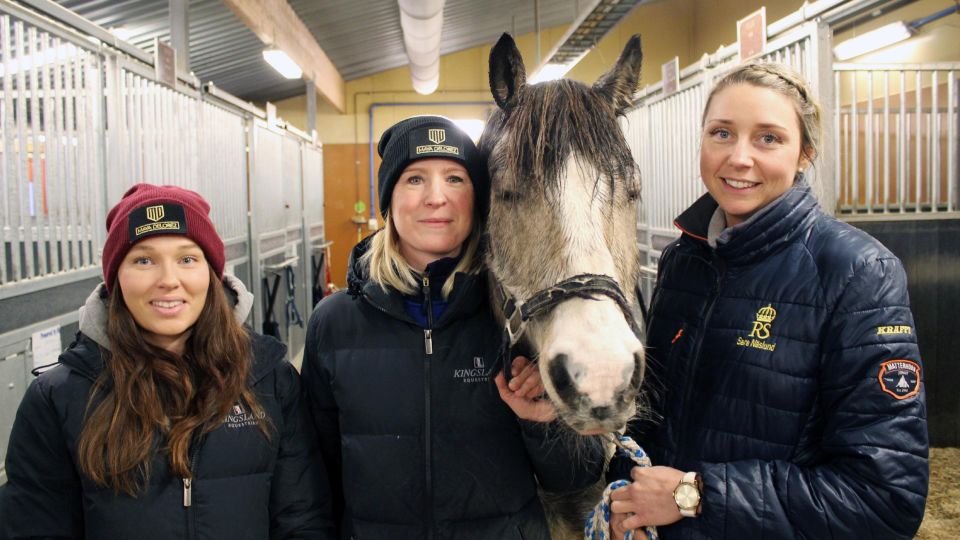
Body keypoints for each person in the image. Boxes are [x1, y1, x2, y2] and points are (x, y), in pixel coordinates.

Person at [607, 63, 928, 539]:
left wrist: (693, 496)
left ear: (805, 154)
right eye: (721, 133)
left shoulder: (857, 273)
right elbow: (647, 426)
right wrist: (625, 499)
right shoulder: (683, 262)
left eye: (768, 138)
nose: (738, 157)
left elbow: (885, 499)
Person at [301, 115, 604, 539]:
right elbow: (314, 475)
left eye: (455, 179)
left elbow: (579, 476)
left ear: (478, 198)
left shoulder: (524, 320)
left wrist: (545, 423)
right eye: (414, 179)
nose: (436, 197)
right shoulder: (333, 324)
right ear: (388, 200)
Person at [1, 183, 335, 540]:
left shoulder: (269, 380)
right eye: (143, 260)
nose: (168, 280)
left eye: (187, 259)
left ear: (212, 273)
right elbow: (33, 526)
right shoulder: (58, 398)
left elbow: (302, 518)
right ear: (116, 278)